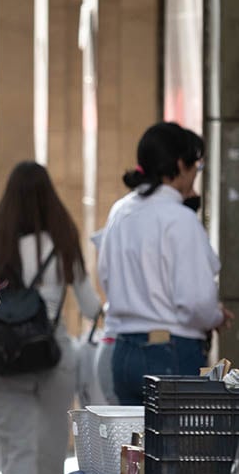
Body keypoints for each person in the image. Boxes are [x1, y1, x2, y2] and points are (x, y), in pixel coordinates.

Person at [0, 161, 102, 474]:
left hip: (3, 359)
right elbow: (89, 307)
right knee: (51, 452)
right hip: (54, 356)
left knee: (15, 452)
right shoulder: (63, 240)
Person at [97, 122, 232, 405]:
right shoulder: (179, 219)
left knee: (134, 447)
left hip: (123, 351)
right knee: (178, 447)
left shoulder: (120, 212)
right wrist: (216, 316)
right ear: (181, 165)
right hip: (171, 353)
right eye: (196, 165)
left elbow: (105, 276)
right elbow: (195, 303)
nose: (196, 173)